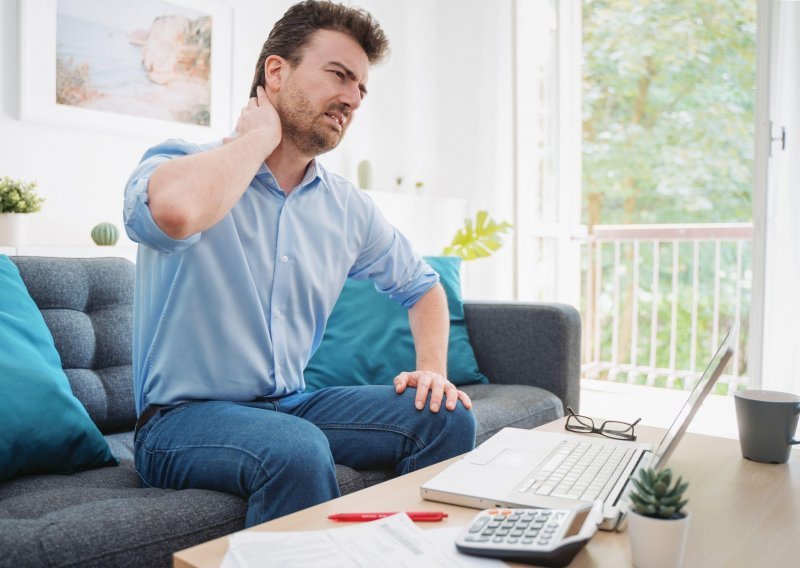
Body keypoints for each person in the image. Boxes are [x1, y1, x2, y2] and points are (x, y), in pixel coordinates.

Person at [123, 0, 477, 527]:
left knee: (445, 419)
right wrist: (260, 139)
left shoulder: (346, 208)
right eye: (339, 75)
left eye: (360, 87)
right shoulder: (180, 162)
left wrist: (432, 372)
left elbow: (424, 287)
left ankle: (401, 557)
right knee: (295, 448)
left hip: (290, 405)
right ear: (276, 71)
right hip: (177, 423)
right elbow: (175, 213)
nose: (353, 99)